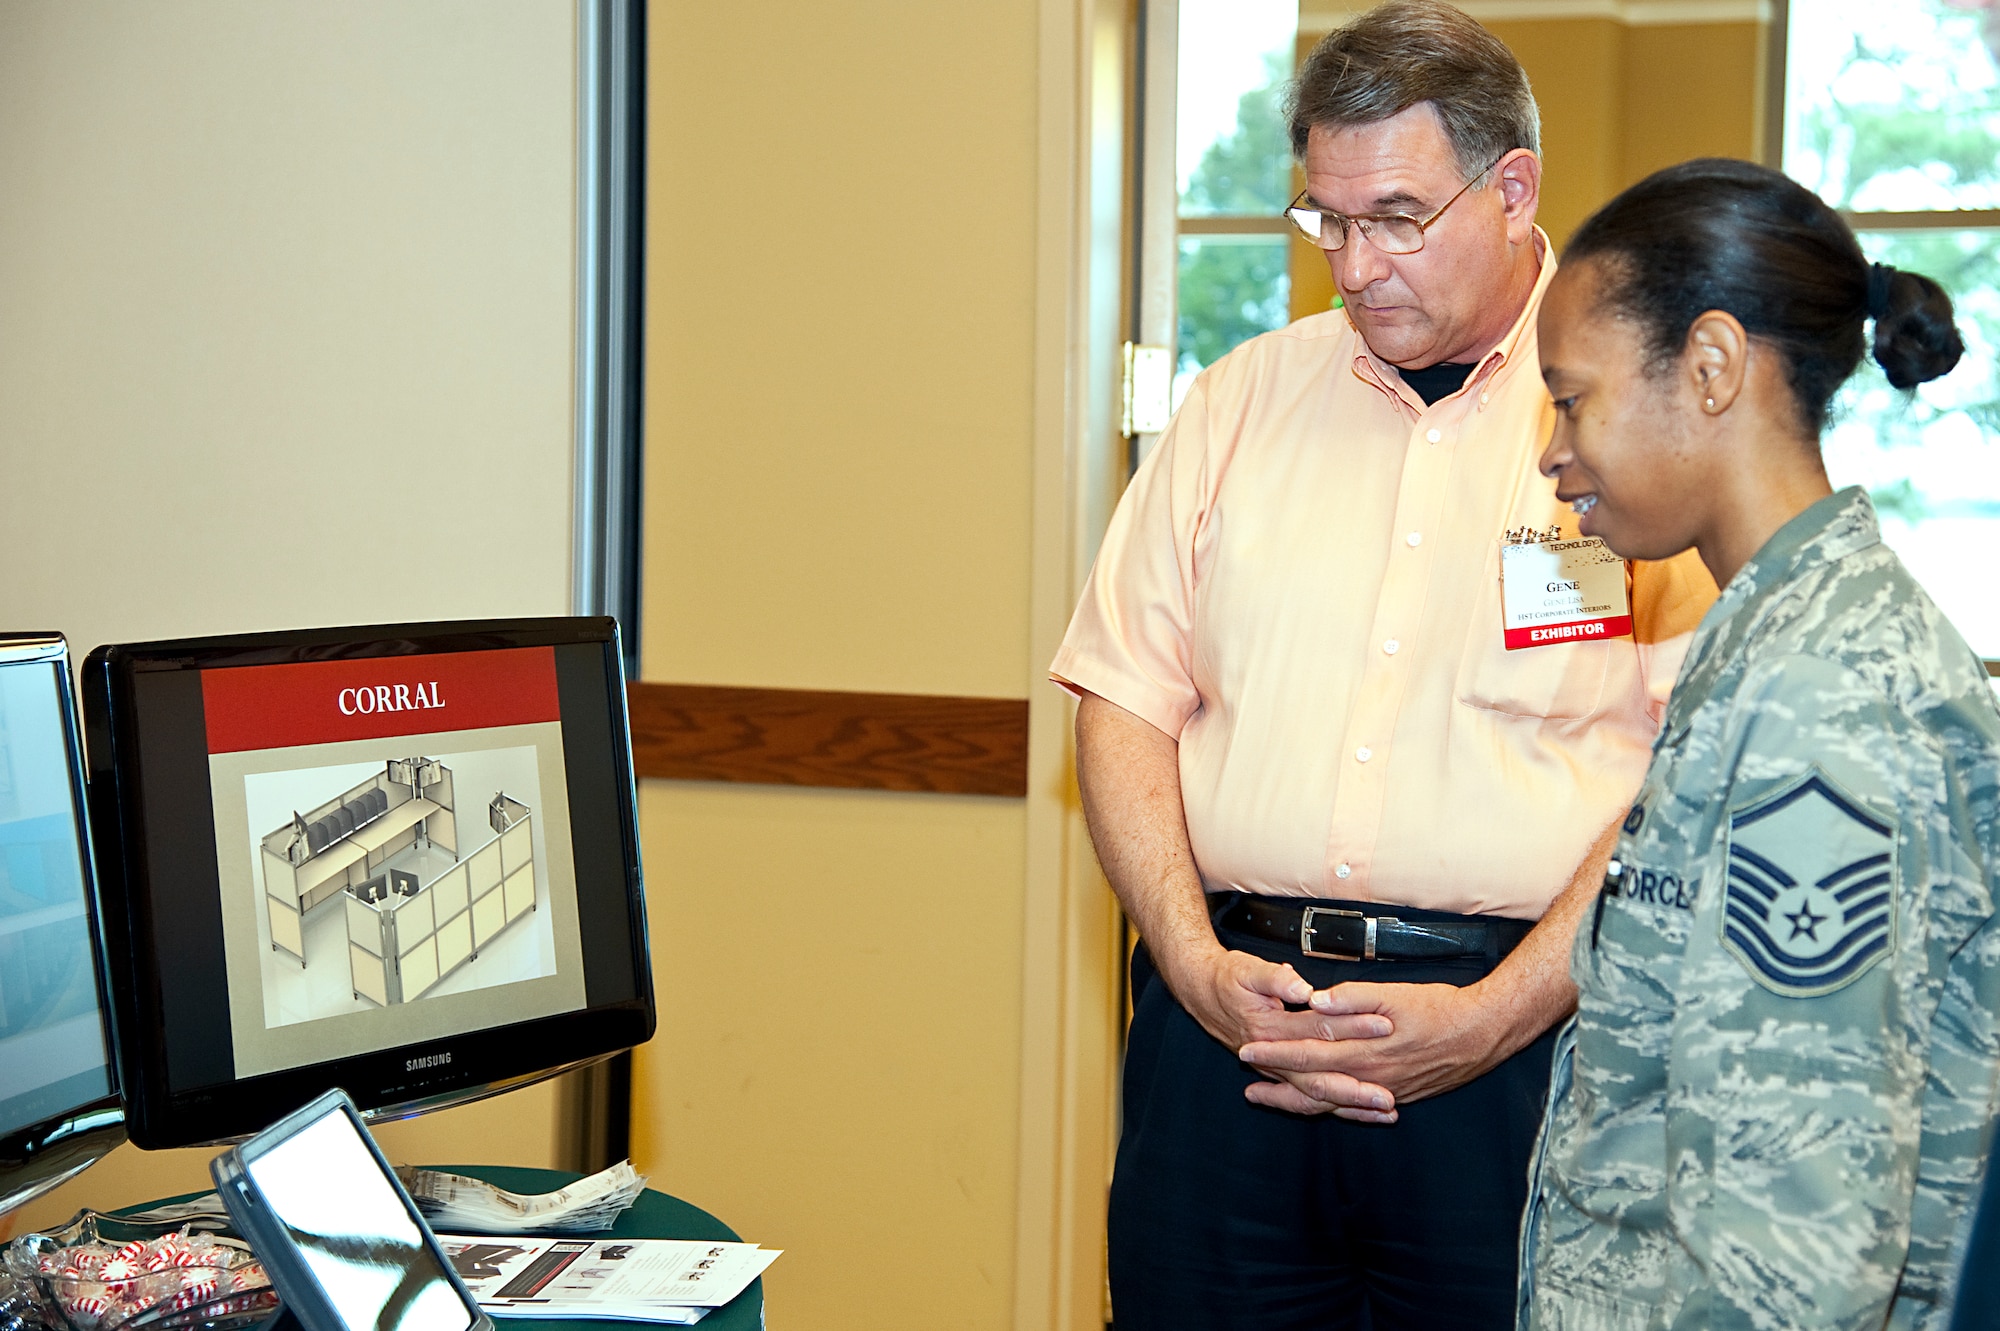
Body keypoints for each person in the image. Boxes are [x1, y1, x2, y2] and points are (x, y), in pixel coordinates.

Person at [1049, 2, 1714, 1326]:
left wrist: (1496, 1013)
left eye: (1398, 216)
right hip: (1225, 1040)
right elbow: (1125, 696)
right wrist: (1186, 959)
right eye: (1328, 219)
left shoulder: (1633, 422)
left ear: (1513, 187)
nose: (1355, 267)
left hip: (1523, 1055)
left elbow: (1689, 780)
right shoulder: (1239, 402)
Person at [1519, 156, 1999, 1330]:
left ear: (1712, 366)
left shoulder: (1820, 693)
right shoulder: (1768, 641)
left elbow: (1790, 1244)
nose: (1548, 449)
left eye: (1571, 398)